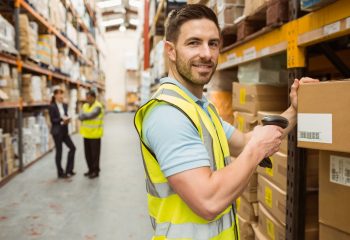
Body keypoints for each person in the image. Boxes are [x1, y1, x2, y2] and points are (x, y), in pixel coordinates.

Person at [134, 4, 319, 240]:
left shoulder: (201, 109)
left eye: (213, 43)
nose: (206, 54)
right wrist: (256, 150)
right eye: (194, 43)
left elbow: (244, 142)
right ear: (170, 50)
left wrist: (294, 110)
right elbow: (208, 201)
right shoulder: (168, 115)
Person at [49, 86, 76, 179]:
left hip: (64, 131)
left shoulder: (64, 105)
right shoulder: (52, 106)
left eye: (62, 94)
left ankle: (69, 170)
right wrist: (61, 120)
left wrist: (67, 119)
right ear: (55, 95)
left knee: (73, 148)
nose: (61, 96)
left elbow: (65, 115)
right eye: (59, 94)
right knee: (59, 152)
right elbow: (53, 120)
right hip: (57, 132)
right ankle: (60, 172)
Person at [79, 90, 104, 179]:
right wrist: (83, 116)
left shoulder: (98, 107)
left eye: (89, 98)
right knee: (87, 155)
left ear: (94, 97)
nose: (87, 100)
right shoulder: (85, 105)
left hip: (95, 135)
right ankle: (90, 170)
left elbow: (90, 116)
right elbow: (80, 115)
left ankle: (95, 171)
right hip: (86, 134)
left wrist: (83, 116)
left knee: (95, 155)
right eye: (86, 98)